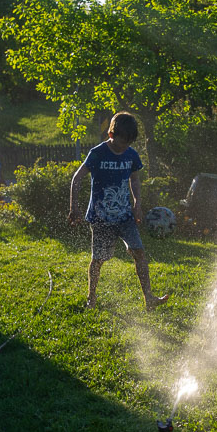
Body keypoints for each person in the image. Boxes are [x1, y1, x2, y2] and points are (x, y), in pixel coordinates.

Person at [68, 112, 168, 311]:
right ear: (111, 134)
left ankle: (149, 298)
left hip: (125, 217)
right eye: (122, 142)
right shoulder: (97, 153)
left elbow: (135, 179)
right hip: (101, 218)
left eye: (129, 143)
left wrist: (137, 203)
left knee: (139, 252)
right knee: (98, 259)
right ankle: (92, 298)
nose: (125, 147)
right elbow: (77, 178)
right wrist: (74, 207)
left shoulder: (131, 154)